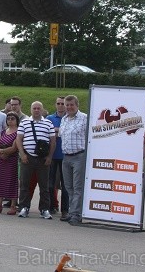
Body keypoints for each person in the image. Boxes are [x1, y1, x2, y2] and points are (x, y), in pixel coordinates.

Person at [16, 101, 55, 219]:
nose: (37, 110)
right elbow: (19, 139)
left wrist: (49, 157)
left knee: (44, 186)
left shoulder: (48, 123)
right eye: (34, 108)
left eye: (39, 108)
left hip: (43, 159)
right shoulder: (24, 122)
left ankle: (44, 209)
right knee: (24, 184)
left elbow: (53, 141)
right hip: (28, 157)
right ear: (31, 110)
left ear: (42, 110)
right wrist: (22, 154)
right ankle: (23, 207)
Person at [59, 94, 87, 225]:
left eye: (71, 105)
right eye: (67, 105)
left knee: (77, 187)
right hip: (66, 157)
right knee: (68, 187)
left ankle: (76, 214)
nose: (69, 107)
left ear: (77, 105)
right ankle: (72, 212)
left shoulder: (85, 118)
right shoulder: (64, 119)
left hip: (79, 156)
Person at [0, 111, 20, 214]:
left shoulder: (18, 132)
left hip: (12, 160)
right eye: (8, 118)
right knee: (0, 182)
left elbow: (14, 148)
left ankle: (13, 205)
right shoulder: (4, 131)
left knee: (12, 182)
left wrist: (2, 151)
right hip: (1, 160)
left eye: (13, 118)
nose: (10, 120)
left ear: (17, 121)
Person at [46, 96, 68, 218]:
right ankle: (51, 206)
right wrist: (59, 131)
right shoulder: (49, 118)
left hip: (65, 155)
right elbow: (47, 133)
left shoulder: (69, 118)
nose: (60, 106)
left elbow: (64, 132)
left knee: (65, 185)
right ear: (55, 104)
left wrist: (56, 131)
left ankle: (65, 210)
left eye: (62, 104)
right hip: (52, 155)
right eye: (58, 103)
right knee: (50, 184)